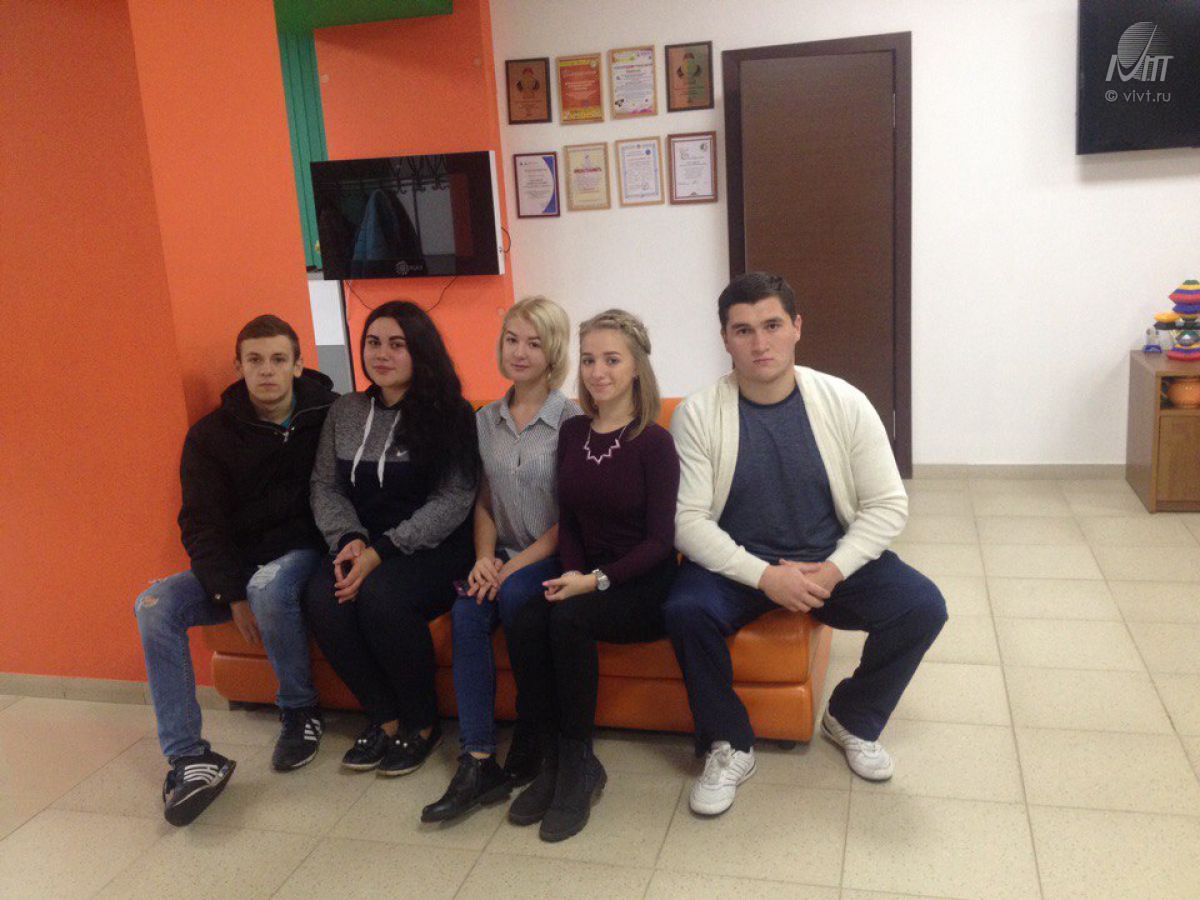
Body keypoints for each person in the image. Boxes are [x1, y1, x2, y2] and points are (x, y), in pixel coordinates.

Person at [664, 272, 947, 816]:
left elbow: (887, 505)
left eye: (772, 325)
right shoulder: (698, 414)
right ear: (725, 339)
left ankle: (852, 717)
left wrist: (833, 570)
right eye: (743, 330)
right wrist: (766, 577)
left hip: (826, 561)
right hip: (738, 567)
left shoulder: (844, 402)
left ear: (796, 327)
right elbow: (688, 522)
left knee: (922, 606)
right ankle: (729, 743)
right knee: (684, 610)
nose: (760, 343)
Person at [134, 315, 337, 827]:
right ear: (239, 367)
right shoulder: (210, 436)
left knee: (268, 587)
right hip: (237, 563)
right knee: (154, 606)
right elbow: (200, 525)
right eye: (255, 360)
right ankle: (188, 758)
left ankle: (299, 710)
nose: (266, 371)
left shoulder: (330, 416)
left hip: (301, 553)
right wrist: (230, 593)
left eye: (278, 359)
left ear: (297, 365)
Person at [504, 309, 680, 842]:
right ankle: (553, 756)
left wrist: (594, 580)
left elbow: (660, 542)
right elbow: (572, 519)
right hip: (585, 574)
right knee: (525, 614)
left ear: (636, 367)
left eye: (611, 359)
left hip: (641, 586)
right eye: (588, 360)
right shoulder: (573, 431)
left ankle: (579, 764)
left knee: (569, 620)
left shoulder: (654, 442)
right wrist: (574, 574)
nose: (598, 371)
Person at [421, 297, 582, 823]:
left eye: (534, 342)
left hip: (553, 554)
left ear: (554, 351)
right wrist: (485, 558)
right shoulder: (485, 419)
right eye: (512, 339)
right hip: (503, 554)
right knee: (466, 611)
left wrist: (510, 570)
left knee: (512, 595)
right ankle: (477, 759)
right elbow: (485, 499)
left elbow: (572, 517)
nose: (520, 351)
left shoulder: (573, 421)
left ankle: (535, 729)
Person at [303, 300, 477, 777]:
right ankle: (384, 716)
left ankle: (422, 723)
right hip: (361, 541)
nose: (382, 354)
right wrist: (349, 539)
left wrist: (382, 552)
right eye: (373, 343)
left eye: (397, 345)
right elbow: (325, 485)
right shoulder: (345, 411)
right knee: (323, 597)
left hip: (435, 547)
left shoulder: (452, 414)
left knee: (381, 598)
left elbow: (454, 499)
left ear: (420, 351)